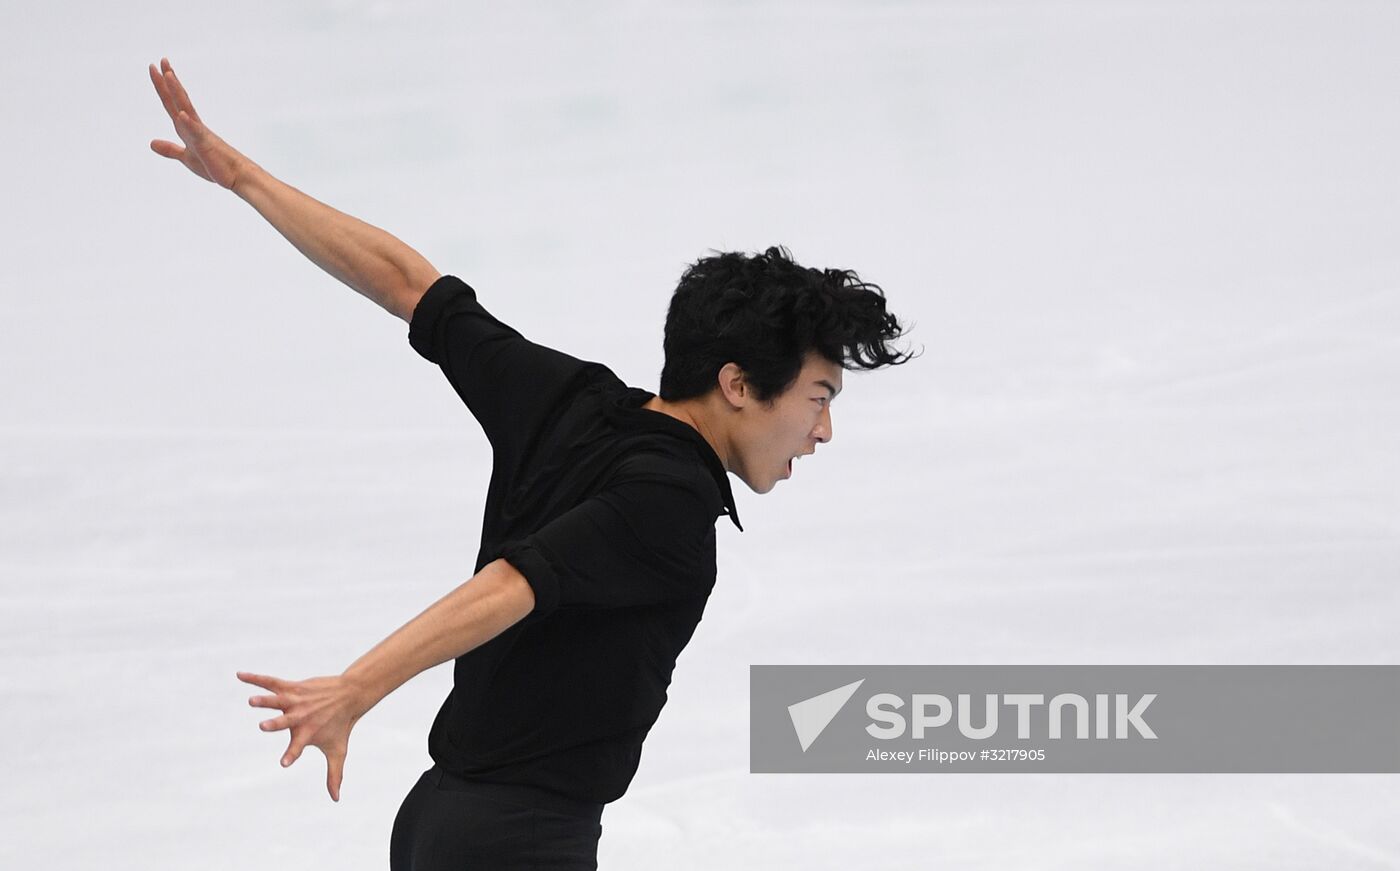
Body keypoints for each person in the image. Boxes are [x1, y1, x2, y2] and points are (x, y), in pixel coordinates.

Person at [148, 57, 911, 870]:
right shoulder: (671, 502)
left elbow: (408, 285)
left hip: (441, 820)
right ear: (737, 384)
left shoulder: (572, 400)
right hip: (520, 842)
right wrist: (354, 689)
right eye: (818, 397)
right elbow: (514, 583)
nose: (823, 430)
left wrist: (243, 178)